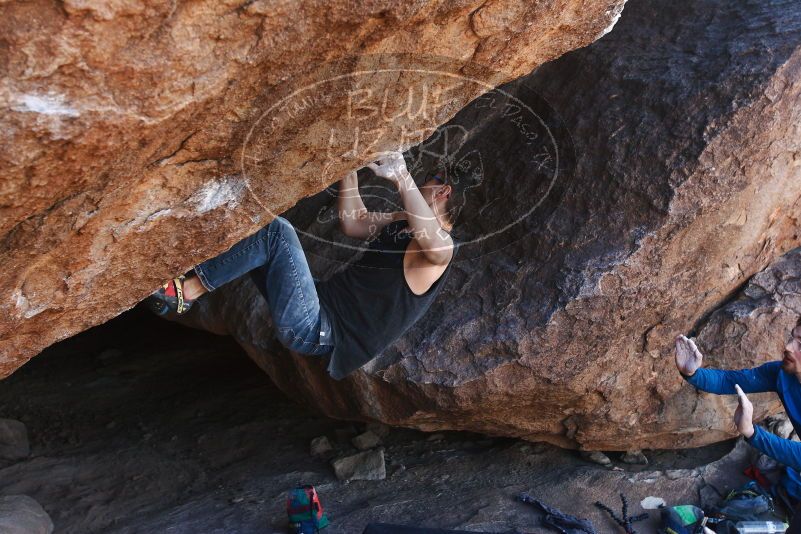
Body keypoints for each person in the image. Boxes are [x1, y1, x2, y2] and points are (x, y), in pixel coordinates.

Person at [146, 151, 467, 380]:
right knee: (262, 229)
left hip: (321, 330)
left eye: (428, 179)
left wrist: (400, 174)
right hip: (313, 304)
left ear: (443, 190)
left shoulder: (439, 252)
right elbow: (354, 223)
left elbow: (434, 243)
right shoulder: (402, 223)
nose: (421, 181)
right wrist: (350, 166)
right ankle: (184, 277)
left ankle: (187, 292)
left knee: (277, 233)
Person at [675, 321, 801, 506]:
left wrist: (752, 432)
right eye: (793, 337)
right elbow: (728, 381)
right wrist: (693, 372)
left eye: (800, 343)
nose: (789, 346)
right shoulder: (783, 375)